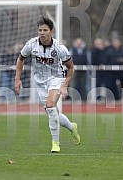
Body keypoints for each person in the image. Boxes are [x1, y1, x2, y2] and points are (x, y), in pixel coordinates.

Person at [15, 17, 80, 153]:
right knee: (52, 113)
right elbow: (20, 59)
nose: (42, 33)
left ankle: (55, 143)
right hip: (40, 82)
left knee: (50, 106)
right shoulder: (31, 44)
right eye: (40, 30)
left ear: (51, 31)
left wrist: (64, 85)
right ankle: (71, 127)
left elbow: (71, 68)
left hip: (57, 79)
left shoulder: (60, 48)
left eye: (45, 30)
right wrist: (17, 79)